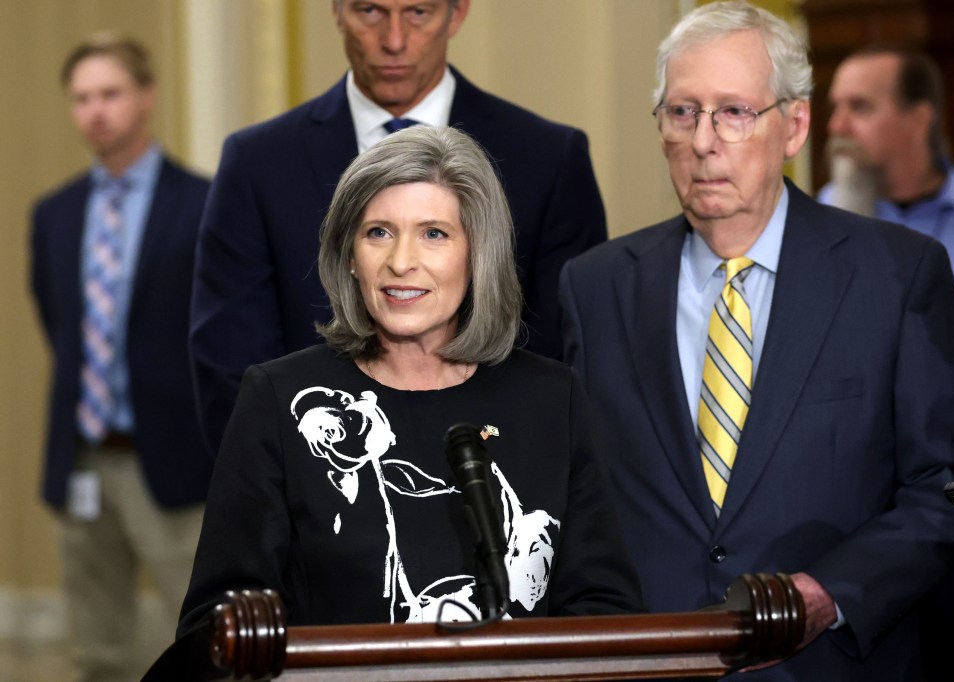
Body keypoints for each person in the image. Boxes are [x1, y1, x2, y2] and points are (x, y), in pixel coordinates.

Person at [558, 2, 954, 678]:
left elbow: (952, 490)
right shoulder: (596, 288)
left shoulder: (897, 275)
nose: (703, 141)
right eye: (682, 112)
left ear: (794, 126)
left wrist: (827, 595)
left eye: (733, 112)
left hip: (832, 662)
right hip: (650, 665)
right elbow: (576, 500)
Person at [178, 126, 642, 634]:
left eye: (433, 234)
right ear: (350, 258)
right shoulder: (279, 399)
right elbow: (215, 624)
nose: (401, 262)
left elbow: (604, 609)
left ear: (477, 254)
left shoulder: (552, 399)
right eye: (378, 232)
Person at [189, 0, 607, 459]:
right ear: (337, 11)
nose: (393, 40)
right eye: (370, 12)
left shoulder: (548, 156)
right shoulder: (257, 162)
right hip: (313, 487)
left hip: (496, 478)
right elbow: (229, 358)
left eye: (418, 13)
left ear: (457, 13)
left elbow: (563, 353)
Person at [28, 34, 211, 682]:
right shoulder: (54, 214)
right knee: (97, 651)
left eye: (109, 94)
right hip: (80, 457)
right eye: (81, 98)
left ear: (146, 98)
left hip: (172, 459)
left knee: (206, 640)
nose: (95, 111)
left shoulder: (201, 204)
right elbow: (60, 324)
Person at [821, 44, 954, 400]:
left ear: (918, 118)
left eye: (860, 107)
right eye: (835, 107)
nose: (837, 125)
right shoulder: (820, 216)